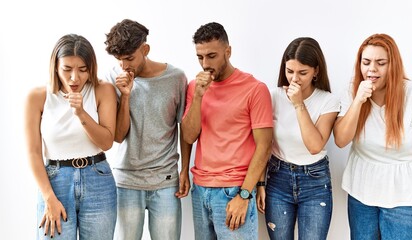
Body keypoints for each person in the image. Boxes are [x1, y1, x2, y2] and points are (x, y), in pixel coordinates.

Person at [333, 33, 412, 240]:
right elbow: (340, 140)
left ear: (393, 65)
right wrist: (358, 101)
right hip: (361, 192)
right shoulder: (352, 91)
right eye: (366, 62)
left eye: (380, 63)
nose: (371, 69)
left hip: (405, 195)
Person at [181, 22, 273, 240]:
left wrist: (244, 194)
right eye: (200, 57)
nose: (205, 64)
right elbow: (188, 136)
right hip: (200, 189)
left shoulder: (254, 89)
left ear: (228, 51)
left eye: (212, 56)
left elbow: (264, 146)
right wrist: (199, 97)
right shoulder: (195, 87)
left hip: (234, 189)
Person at [103, 19, 190, 240]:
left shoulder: (176, 78)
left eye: (129, 58)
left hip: (166, 180)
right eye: (119, 60)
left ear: (145, 49)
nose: (124, 66)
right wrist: (125, 95)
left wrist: (185, 169)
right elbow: (118, 136)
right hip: (127, 181)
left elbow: (184, 130)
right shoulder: (113, 78)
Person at [25, 34, 118, 239]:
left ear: (91, 68)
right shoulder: (37, 97)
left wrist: (81, 113)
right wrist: (49, 197)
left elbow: (107, 141)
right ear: (55, 66)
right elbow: (32, 152)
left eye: (83, 69)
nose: (75, 78)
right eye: (67, 69)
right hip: (55, 182)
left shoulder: (103, 90)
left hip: (98, 179)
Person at [257, 37, 339, 240]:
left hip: (315, 182)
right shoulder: (273, 96)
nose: (294, 79)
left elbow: (315, 146)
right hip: (278, 178)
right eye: (289, 71)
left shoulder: (328, 101)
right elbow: (263, 144)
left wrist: (299, 105)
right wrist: (260, 184)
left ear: (316, 71)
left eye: (302, 73)